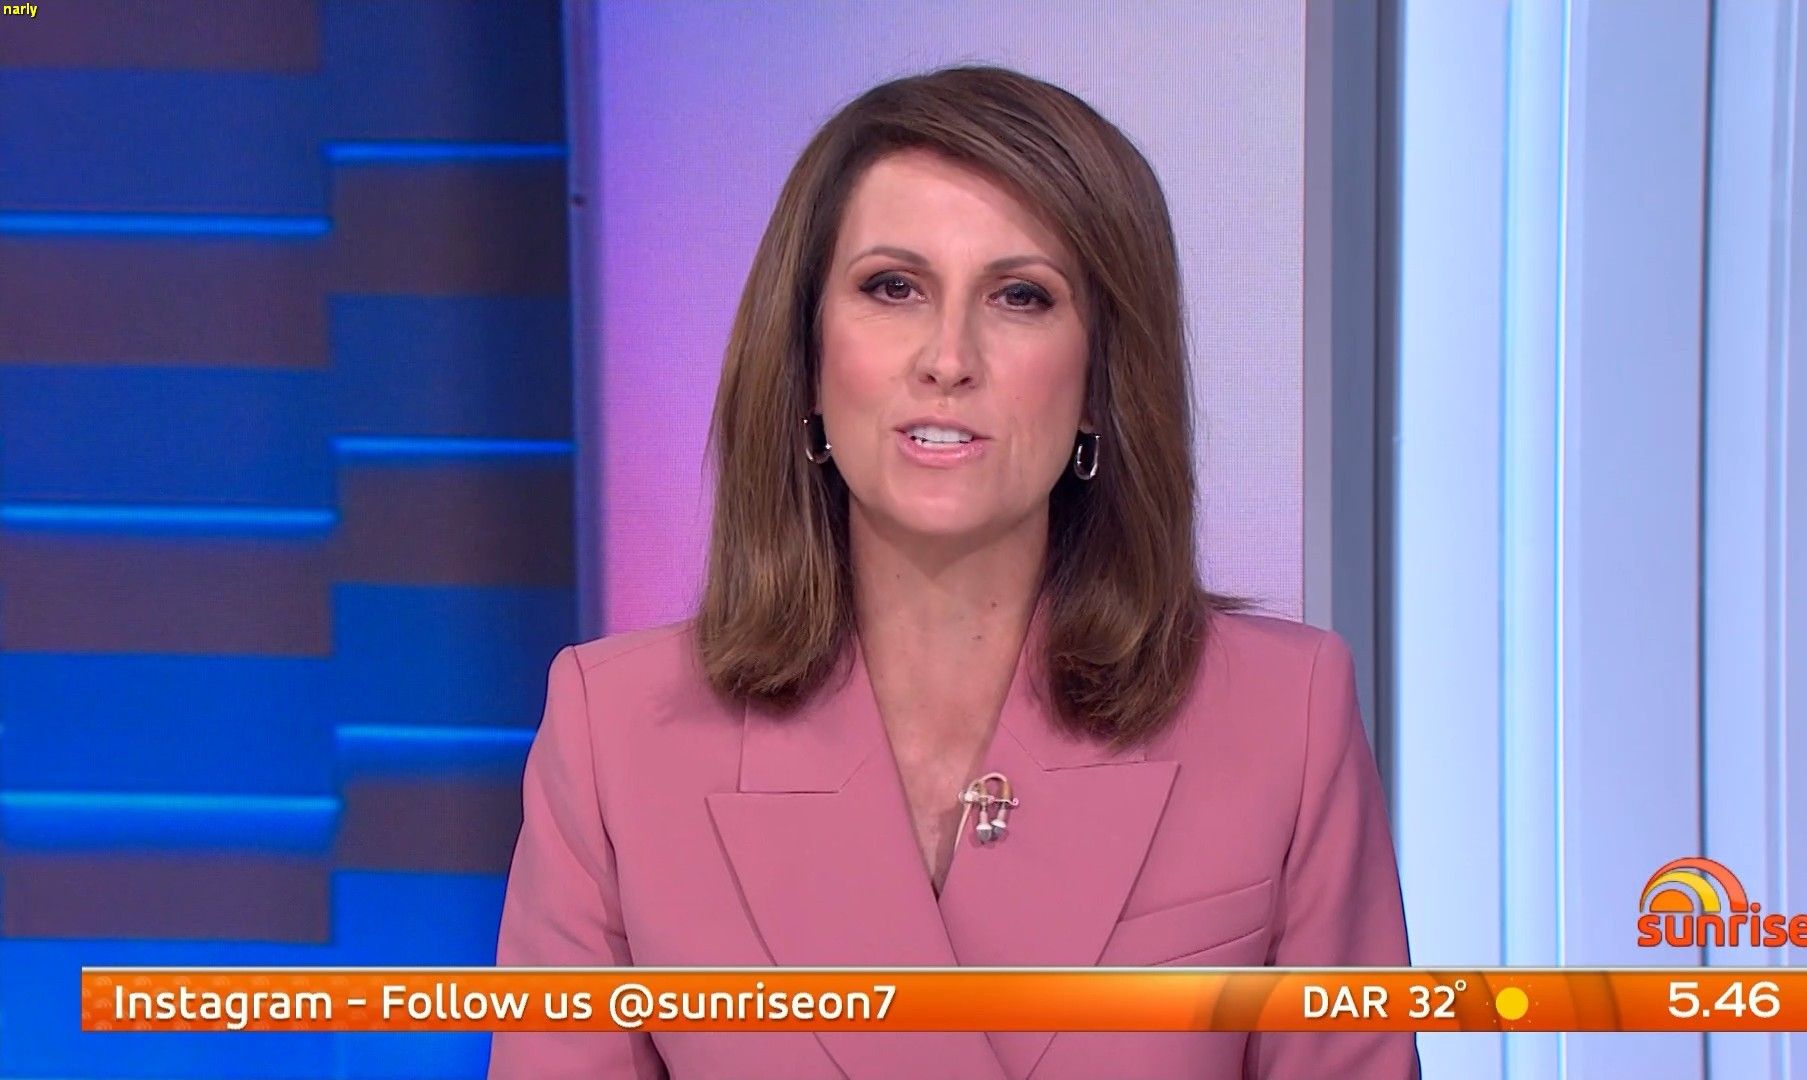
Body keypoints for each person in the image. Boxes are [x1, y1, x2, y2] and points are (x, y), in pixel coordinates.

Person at [490, 64, 1418, 1080]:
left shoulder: (1284, 717)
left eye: (1021, 296)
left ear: (1100, 381)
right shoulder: (616, 738)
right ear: (806, 358)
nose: (947, 357)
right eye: (893, 287)